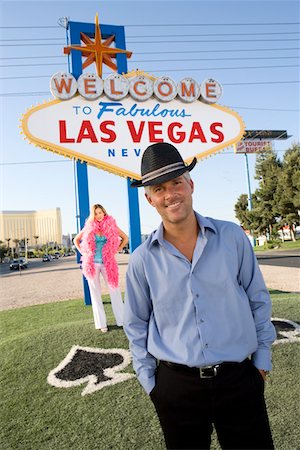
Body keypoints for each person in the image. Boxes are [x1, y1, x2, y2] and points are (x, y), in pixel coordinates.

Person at [123, 142, 276, 450]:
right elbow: (136, 324)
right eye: (159, 188)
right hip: (176, 387)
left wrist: (261, 360)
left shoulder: (232, 237)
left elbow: (257, 298)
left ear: (190, 184)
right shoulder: (142, 259)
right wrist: (151, 384)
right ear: (149, 198)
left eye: (176, 182)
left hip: (239, 379)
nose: (170, 195)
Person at [74, 204, 128, 333]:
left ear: (104, 213)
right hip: (92, 263)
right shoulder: (89, 227)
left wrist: (116, 250)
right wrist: (83, 253)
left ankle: (121, 320)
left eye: (101, 212)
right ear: (93, 215)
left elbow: (125, 238)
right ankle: (101, 323)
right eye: (96, 213)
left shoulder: (111, 225)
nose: (99, 215)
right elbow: (76, 240)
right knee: (95, 293)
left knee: (114, 290)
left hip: (107, 263)